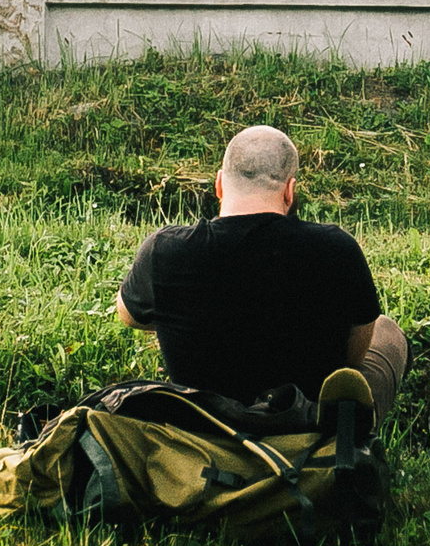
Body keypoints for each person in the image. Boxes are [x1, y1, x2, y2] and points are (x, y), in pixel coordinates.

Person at [114, 125, 409, 420]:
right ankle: (346, 435)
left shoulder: (164, 249)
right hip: (306, 434)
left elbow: (128, 315)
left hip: (207, 434)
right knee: (387, 331)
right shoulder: (338, 248)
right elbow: (351, 360)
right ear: (290, 191)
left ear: (218, 185)